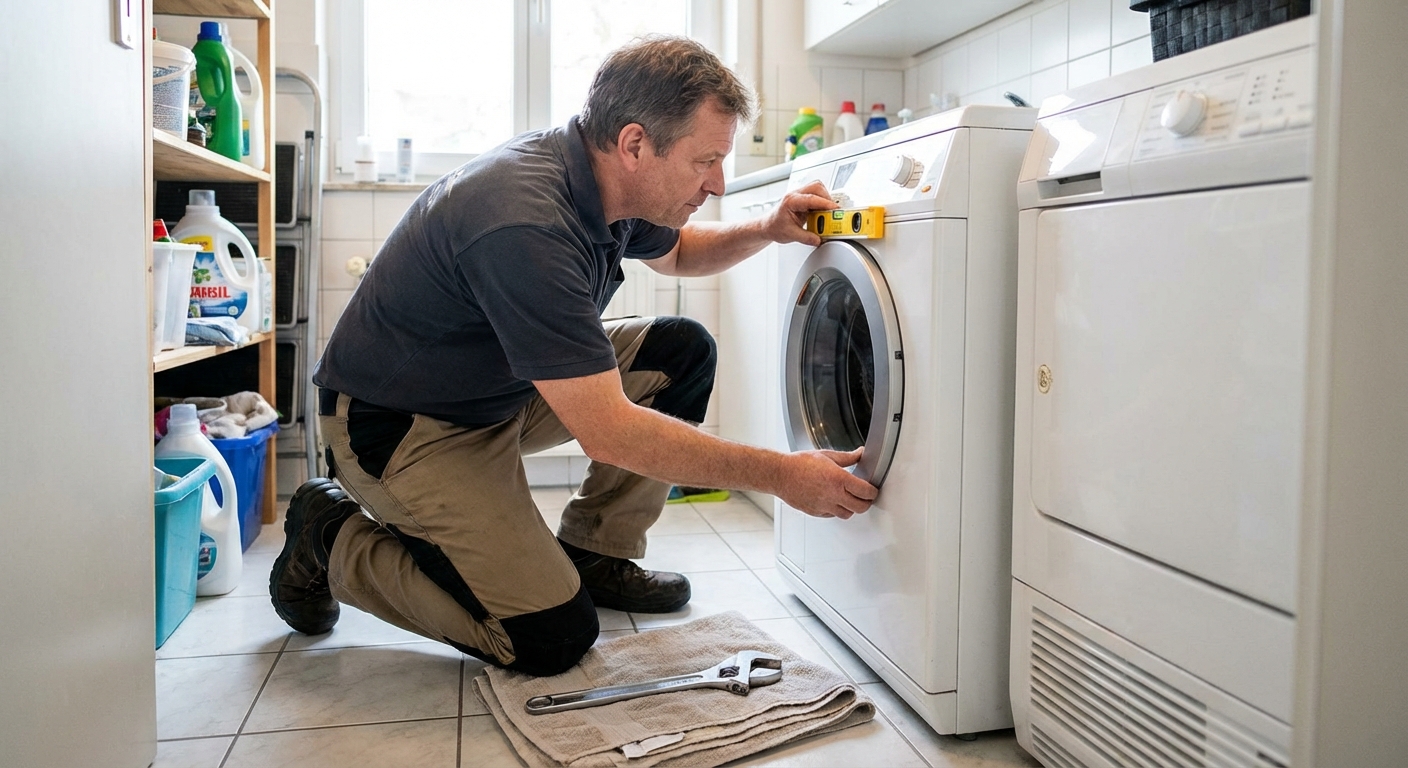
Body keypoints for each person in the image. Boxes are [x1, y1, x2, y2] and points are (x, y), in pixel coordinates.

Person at [269, 35, 878, 677]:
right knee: (550, 638)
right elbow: (608, 431)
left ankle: (595, 551)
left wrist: (768, 228)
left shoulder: (607, 180)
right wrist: (784, 476)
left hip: (497, 390)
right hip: (401, 427)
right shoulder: (526, 221)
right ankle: (329, 534)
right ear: (636, 144)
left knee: (681, 351)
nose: (719, 185)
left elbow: (679, 253)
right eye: (707, 161)